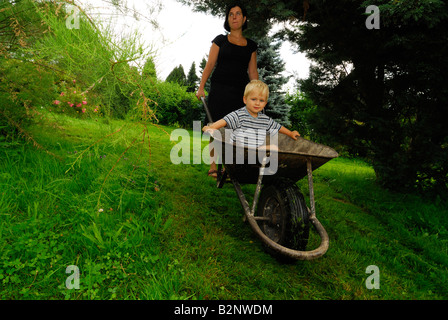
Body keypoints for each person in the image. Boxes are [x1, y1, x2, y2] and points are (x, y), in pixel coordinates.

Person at [196, 2, 259, 178]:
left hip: (240, 92)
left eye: (238, 13)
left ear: (244, 18)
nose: (234, 17)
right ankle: (213, 166)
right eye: (231, 14)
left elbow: (253, 72)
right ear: (227, 18)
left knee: (234, 129)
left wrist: (257, 95)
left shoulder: (251, 46)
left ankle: (229, 167)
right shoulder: (220, 40)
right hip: (219, 90)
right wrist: (201, 87)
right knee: (215, 126)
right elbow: (210, 64)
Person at [202, 80, 300, 151]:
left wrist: (290, 133)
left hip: (256, 151)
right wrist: (212, 127)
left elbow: (278, 127)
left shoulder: (264, 119)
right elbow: (224, 121)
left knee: (274, 148)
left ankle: (269, 172)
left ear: (265, 103)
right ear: (245, 100)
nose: (257, 103)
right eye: (253, 99)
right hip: (238, 151)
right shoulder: (239, 115)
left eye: (261, 100)